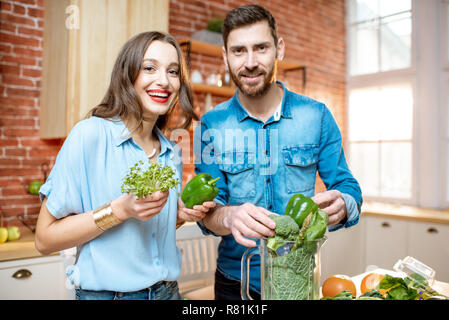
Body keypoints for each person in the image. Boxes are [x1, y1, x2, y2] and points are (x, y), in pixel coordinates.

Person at [193, 5, 363, 300]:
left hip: (298, 279)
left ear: (278, 49)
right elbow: (207, 215)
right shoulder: (211, 124)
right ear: (225, 57)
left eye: (260, 48)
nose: (249, 62)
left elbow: (347, 187)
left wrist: (345, 204)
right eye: (238, 51)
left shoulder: (317, 116)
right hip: (235, 283)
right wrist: (229, 215)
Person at [34, 31, 216, 300]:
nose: (163, 81)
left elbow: (146, 235)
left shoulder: (171, 152)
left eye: (173, 71)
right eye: (149, 68)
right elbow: (44, 239)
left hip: (167, 293)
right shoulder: (90, 135)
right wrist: (118, 210)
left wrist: (177, 217)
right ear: (127, 74)